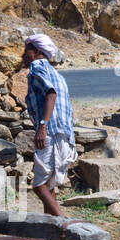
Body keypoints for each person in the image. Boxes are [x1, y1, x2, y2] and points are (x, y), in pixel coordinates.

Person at [20, 33, 75, 217]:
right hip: (65, 135)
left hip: (50, 132)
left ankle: (63, 222)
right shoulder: (57, 74)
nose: (23, 56)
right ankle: (48, 235)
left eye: (25, 51)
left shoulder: (36, 67)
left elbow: (50, 94)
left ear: (36, 51)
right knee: (49, 186)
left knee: (38, 186)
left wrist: (42, 126)